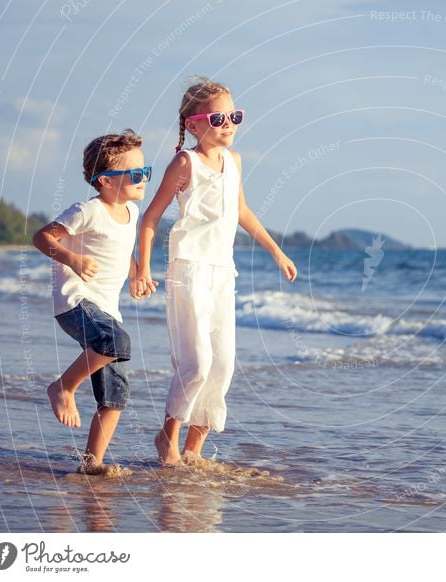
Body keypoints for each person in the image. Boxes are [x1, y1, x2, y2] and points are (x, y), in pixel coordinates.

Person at [135, 77, 297, 466]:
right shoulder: (185, 162)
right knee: (196, 364)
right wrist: (141, 268)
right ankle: (167, 436)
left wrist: (277, 251)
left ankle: (194, 449)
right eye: (219, 117)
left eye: (234, 116)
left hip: (223, 273)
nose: (228, 124)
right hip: (188, 270)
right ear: (193, 125)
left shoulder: (235, 161)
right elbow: (150, 218)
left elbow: (240, 211)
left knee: (222, 367)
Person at [33, 129, 150, 475]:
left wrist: (137, 274)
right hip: (75, 302)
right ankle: (63, 386)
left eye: (146, 172)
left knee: (116, 394)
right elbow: (42, 237)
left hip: (106, 311)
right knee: (117, 341)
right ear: (105, 181)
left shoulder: (130, 212)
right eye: (135, 174)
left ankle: (91, 463)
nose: (143, 179)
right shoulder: (87, 211)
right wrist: (71, 259)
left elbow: (122, 249)